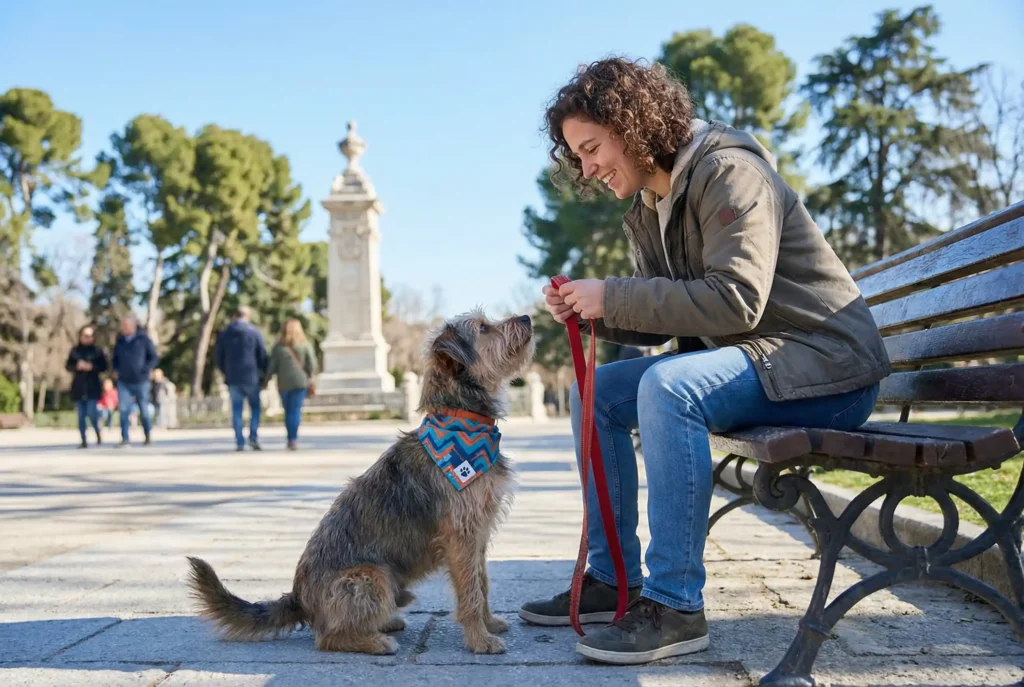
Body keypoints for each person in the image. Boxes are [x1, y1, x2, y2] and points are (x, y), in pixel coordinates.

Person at [518, 58, 891, 665]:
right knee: (600, 393)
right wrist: (594, 312)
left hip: (827, 368)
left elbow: (736, 299)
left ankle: (675, 607)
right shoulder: (647, 205)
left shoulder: (730, 171)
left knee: (669, 388)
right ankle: (614, 580)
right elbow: (673, 315)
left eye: (591, 149)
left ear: (632, 126)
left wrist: (610, 295)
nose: (585, 170)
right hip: (761, 362)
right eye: (576, 157)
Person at [215, 305, 268, 451]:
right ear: (248, 316)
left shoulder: (225, 334)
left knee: (237, 410)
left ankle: (239, 441)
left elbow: (218, 357)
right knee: (255, 408)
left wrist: (226, 371)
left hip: (233, 377)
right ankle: (253, 437)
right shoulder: (254, 332)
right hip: (251, 376)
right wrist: (264, 374)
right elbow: (262, 355)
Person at [265, 318, 317, 451]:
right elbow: (312, 365)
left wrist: (266, 380)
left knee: (288, 411)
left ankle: (290, 438)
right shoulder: (305, 345)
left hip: (284, 384)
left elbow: (272, 367)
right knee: (295, 411)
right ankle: (293, 439)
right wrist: (310, 376)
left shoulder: (278, 347)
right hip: (300, 383)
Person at [111, 315, 159, 447]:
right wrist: (116, 369)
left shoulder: (144, 340)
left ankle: (147, 436)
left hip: (141, 381)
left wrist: (146, 370)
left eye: (126, 325)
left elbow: (154, 358)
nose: (123, 328)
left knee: (144, 409)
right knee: (124, 410)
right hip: (123, 381)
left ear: (133, 326)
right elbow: (114, 358)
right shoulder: (120, 341)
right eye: (122, 326)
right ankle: (125, 438)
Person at [65, 325, 109, 448]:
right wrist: (77, 367)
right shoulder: (75, 351)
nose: (87, 338)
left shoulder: (97, 351)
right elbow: (68, 366)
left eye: (89, 336)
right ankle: (83, 439)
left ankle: (97, 432)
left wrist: (92, 367)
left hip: (92, 386)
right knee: (81, 415)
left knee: (92, 412)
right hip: (79, 386)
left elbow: (104, 366)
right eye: (84, 335)